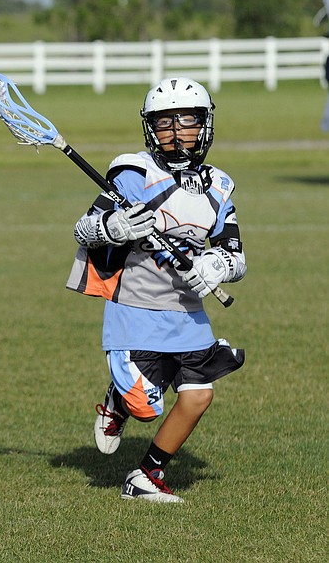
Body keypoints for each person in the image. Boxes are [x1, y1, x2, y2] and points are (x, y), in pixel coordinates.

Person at [66, 77, 246, 503]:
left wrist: (216, 265)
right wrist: (112, 227)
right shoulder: (133, 174)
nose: (177, 133)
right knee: (146, 409)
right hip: (135, 306)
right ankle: (119, 399)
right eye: (166, 123)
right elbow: (83, 229)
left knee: (198, 396)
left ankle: (146, 477)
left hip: (187, 311)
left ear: (204, 125)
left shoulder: (219, 186)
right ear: (151, 129)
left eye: (187, 122)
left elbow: (237, 257)